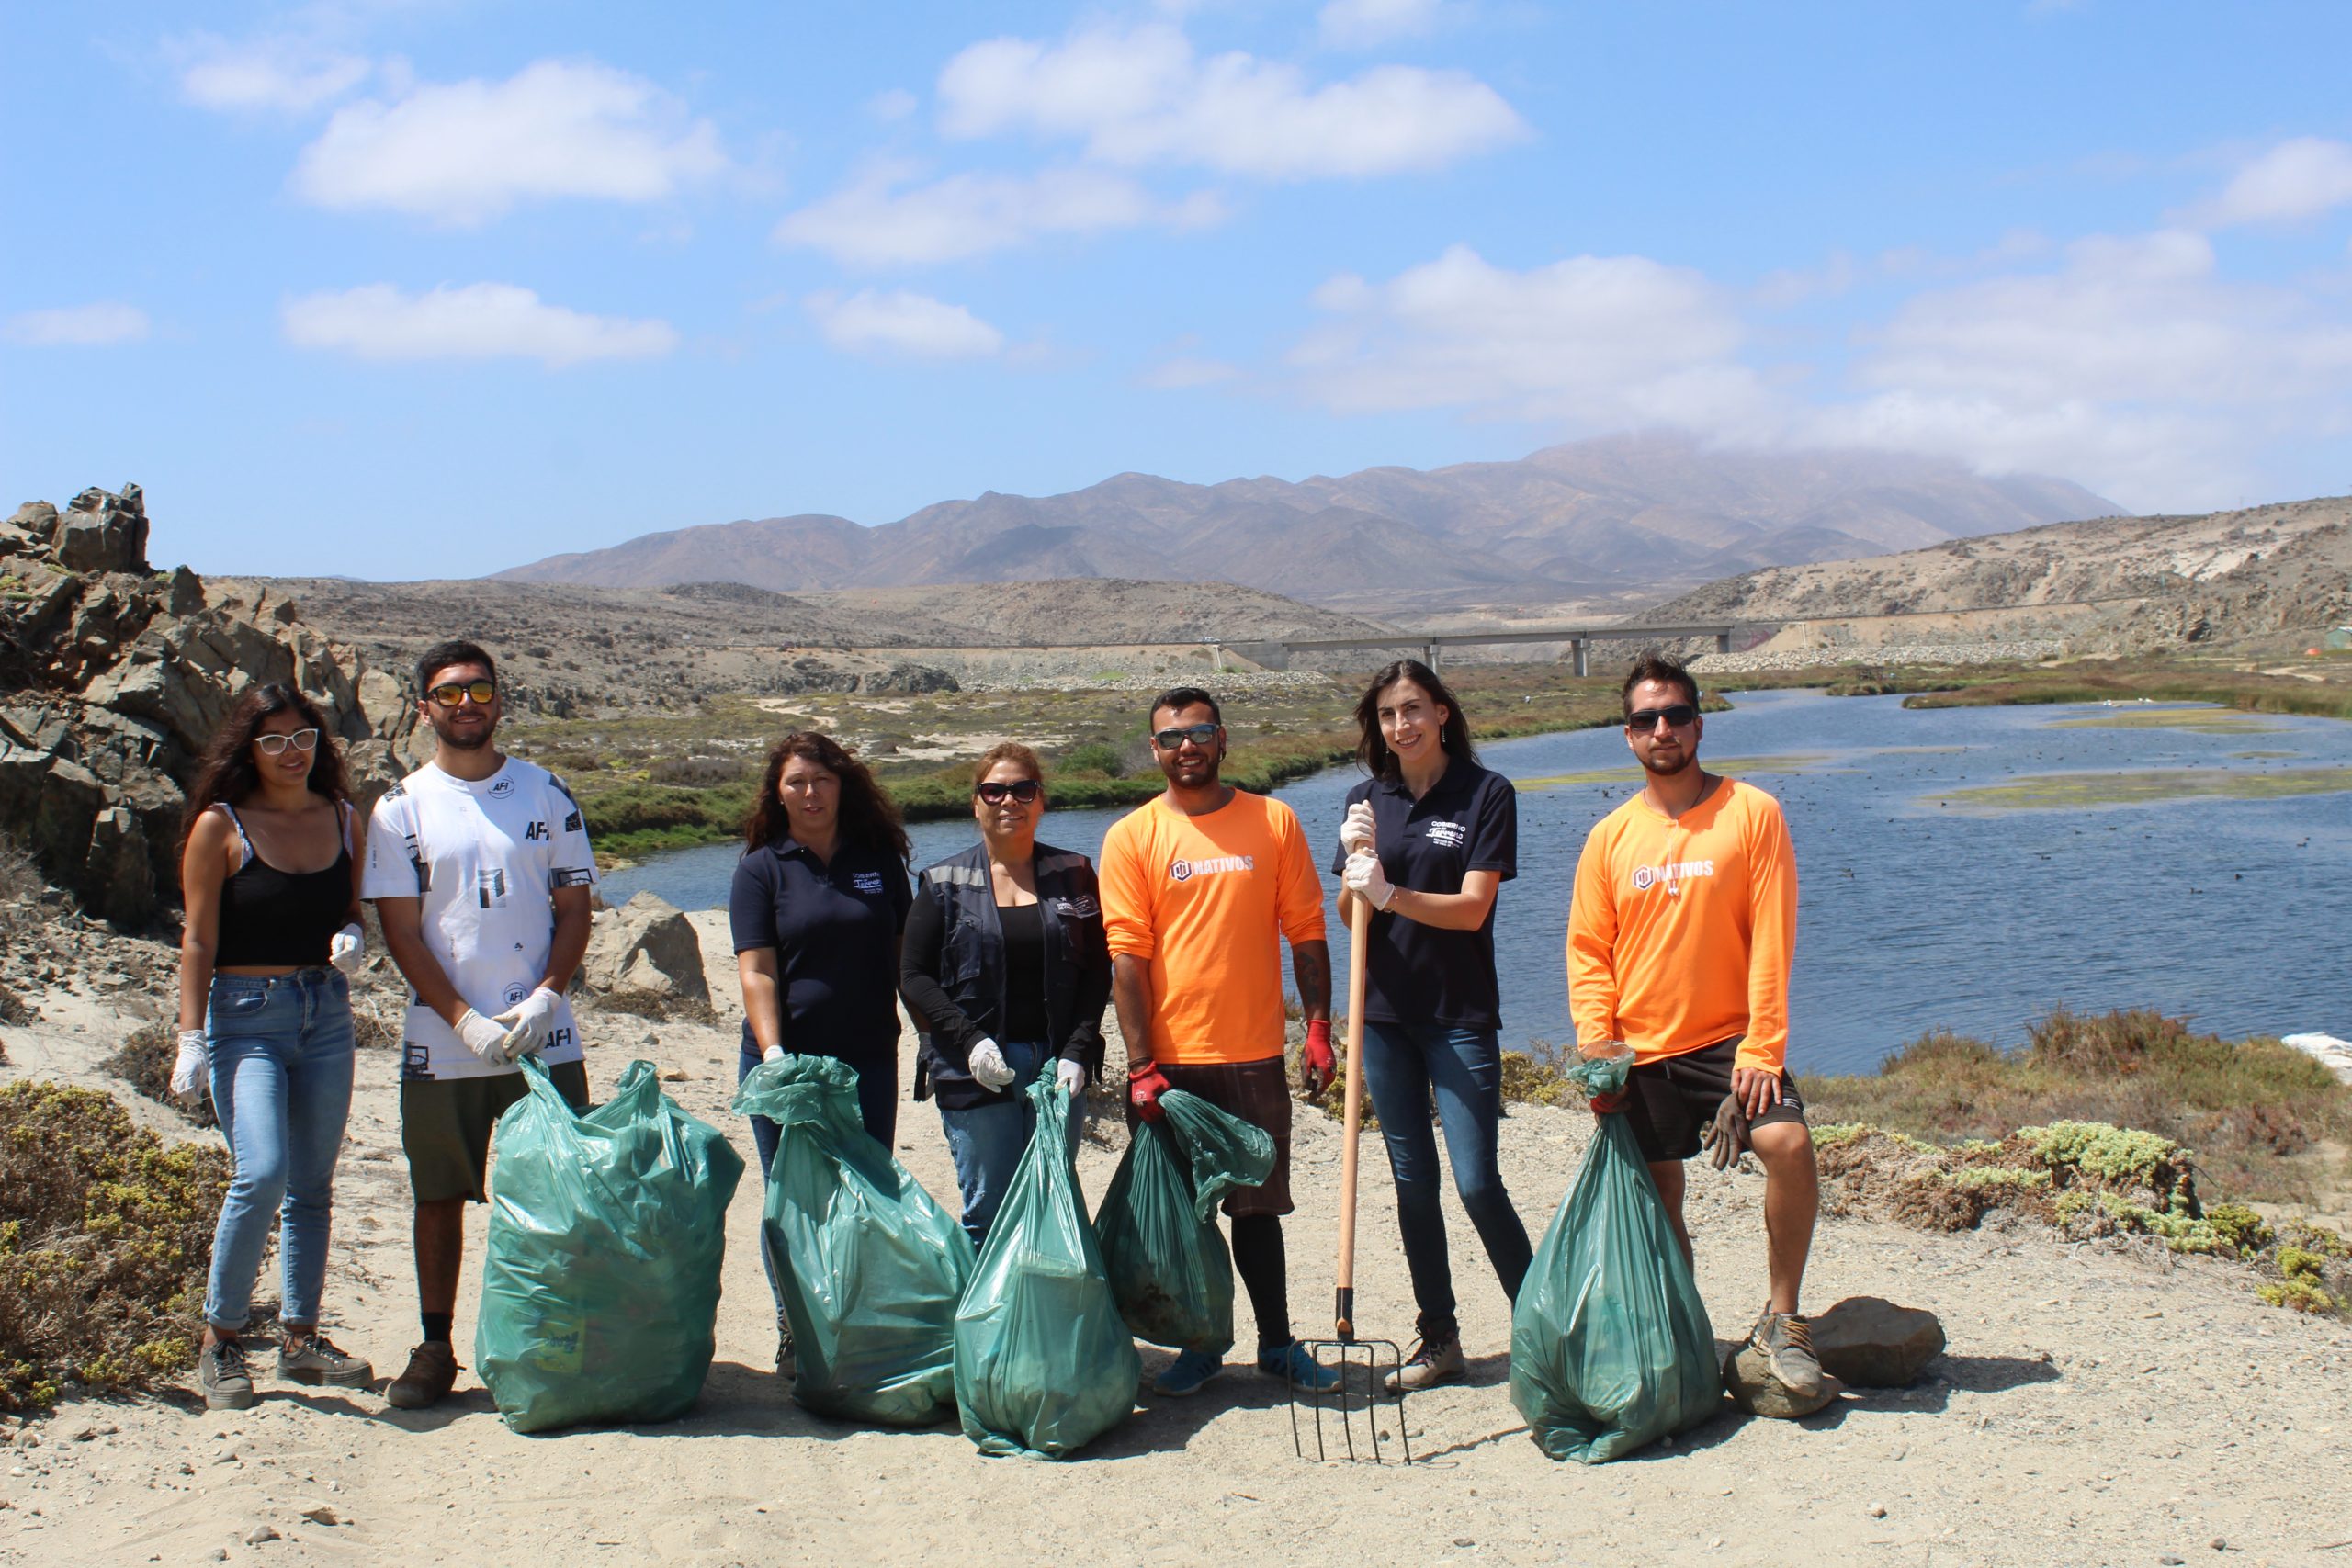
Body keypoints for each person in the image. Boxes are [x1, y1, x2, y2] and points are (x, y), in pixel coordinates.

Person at [1566, 651, 1824, 1399]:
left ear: (1699, 724)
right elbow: (1589, 950)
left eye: (1676, 715)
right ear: (1628, 736)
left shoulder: (1753, 813)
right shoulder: (1609, 837)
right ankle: (1683, 1331)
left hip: (1729, 1042)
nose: (1662, 730)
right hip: (1638, 1049)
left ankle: (1783, 1319)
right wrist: (1597, 1050)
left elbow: (1774, 935)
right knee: (1659, 1196)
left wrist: (1762, 1045)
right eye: (1646, 719)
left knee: (1788, 1142)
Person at [363, 640, 597, 1411]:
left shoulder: (546, 792)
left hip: (543, 1037)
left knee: (559, 1190)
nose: (467, 704)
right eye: (449, 693)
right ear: (423, 706)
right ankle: (435, 1347)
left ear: (500, 699)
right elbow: (401, 931)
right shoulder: (400, 808)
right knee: (439, 1193)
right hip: (444, 1043)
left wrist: (547, 996)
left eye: (480, 689)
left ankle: (557, 1338)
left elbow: (573, 907)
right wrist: (460, 1019)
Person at [1099, 686, 1340, 1397]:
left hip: (1254, 1051)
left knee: (1258, 1208)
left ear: (1222, 738)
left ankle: (1276, 1343)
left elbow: (1307, 931)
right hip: (1172, 1062)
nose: (1186, 746)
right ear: (1155, 750)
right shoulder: (1132, 837)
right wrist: (1141, 1066)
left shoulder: (1273, 821)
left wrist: (1319, 1026)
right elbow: (1126, 960)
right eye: (1171, 737)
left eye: (1199, 731)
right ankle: (1202, 1345)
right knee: (1183, 1214)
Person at [1332, 660, 1532, 1392]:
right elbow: (1353, 917)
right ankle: (1438, 1335)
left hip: (1458, 1014)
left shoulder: (1486, 793)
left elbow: (1474, 907)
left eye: (1414, 709)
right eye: (1388, 715)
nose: (1401, 726)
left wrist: (1389, 891)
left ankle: (1544, 1328)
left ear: (1443, 712)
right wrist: (1359, 864)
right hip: (1381, 1016)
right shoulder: (1365, 799)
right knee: (1413, 1181)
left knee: (1478, 1182)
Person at [174, 683, 374, 1410]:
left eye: (304, 739)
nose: (292, 754)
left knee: (313, 1184)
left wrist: (354, 935)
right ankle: (221, 1339)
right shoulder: (220, 827)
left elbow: (351, 907)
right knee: (261, 1171)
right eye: (274, 740)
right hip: (243, 1017)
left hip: (324, 1012)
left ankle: (300, 1337)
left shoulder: (345, 819)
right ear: (248, 748)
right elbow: (198, 937)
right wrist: (190, 1035)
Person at [729, 730, 913, 1364]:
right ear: (777, 793)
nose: (811, 793)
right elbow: (756, 969)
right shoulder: (762, 867)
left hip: (867, 1057)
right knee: (794, 1200)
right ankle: (795, 1327)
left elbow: (904, 956)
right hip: (792, 1065)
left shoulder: (878, 859)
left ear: (843, 784)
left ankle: (853, 1323)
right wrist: (774, 1052)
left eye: (822, 780)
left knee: (864, 1194)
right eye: (796, 782)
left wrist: (940, 1035)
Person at [900, 744, 1109, 1247]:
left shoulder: (1074, 873)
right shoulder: (943, 883)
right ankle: (988, 1325)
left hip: (1055, 1070)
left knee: (1049, 1203)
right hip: (974, 1070)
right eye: (994, 790)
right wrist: (970, 1041)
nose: (1008, 800)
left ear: (1041, 801)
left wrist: (1078, 1050)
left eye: (1023, 789)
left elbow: (1098, 967)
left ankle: (1042, 1322)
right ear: (976, 803)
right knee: (989, 1213)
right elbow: (914, 976)